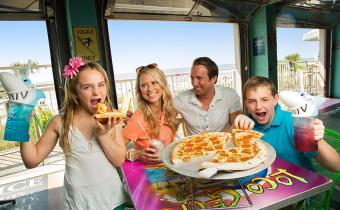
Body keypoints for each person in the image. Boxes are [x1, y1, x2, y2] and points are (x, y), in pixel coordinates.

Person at [20, 57, 127, 210]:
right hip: (78, 204)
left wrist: (103, 135)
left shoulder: (113, 116)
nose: (96, 91)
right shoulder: (60, 122)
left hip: (113, 200)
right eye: (87, 87)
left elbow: (118, 160)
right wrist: (23, 124)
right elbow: (32, 160)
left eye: (101, 85)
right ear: (74, 92)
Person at [243, 76, 340, 172]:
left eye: (264, 100)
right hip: (264, 182)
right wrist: (234, 127)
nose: (258, 107)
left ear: (275, 100)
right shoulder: (246, 126)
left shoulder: (295, 123)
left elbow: (336, 166)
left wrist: (318, 140)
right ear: (246, 103)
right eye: (252, 101)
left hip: (301, 184)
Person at [174, 57, 254, 136]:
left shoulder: (230, 95)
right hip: (194, 147)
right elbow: (164, 110)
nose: (194, 83)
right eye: (192, 78)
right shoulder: (181, 100)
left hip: (225, 145)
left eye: (199, 78)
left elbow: (237, 128)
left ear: (213, 79)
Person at [123, 63, 179, 164]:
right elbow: (114, 152)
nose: (149, 89)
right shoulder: (138, 118)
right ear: (140, 90)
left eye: (154, 83)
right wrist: (137, 154)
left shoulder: (169, 109)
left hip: (171, 168)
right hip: (149, 174)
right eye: (144, 85)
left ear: (162, 84)